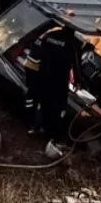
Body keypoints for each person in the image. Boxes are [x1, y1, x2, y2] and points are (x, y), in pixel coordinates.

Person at [24, 24, 83, 154]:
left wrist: (32, 76)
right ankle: (54, 135)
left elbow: (35, 52)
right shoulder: (73, 44)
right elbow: (76, 65)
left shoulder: (49, 36)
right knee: (57, 108)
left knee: (43, 103)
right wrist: (78, 81)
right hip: (59, 82)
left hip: (43, 77)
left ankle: (38, 127)